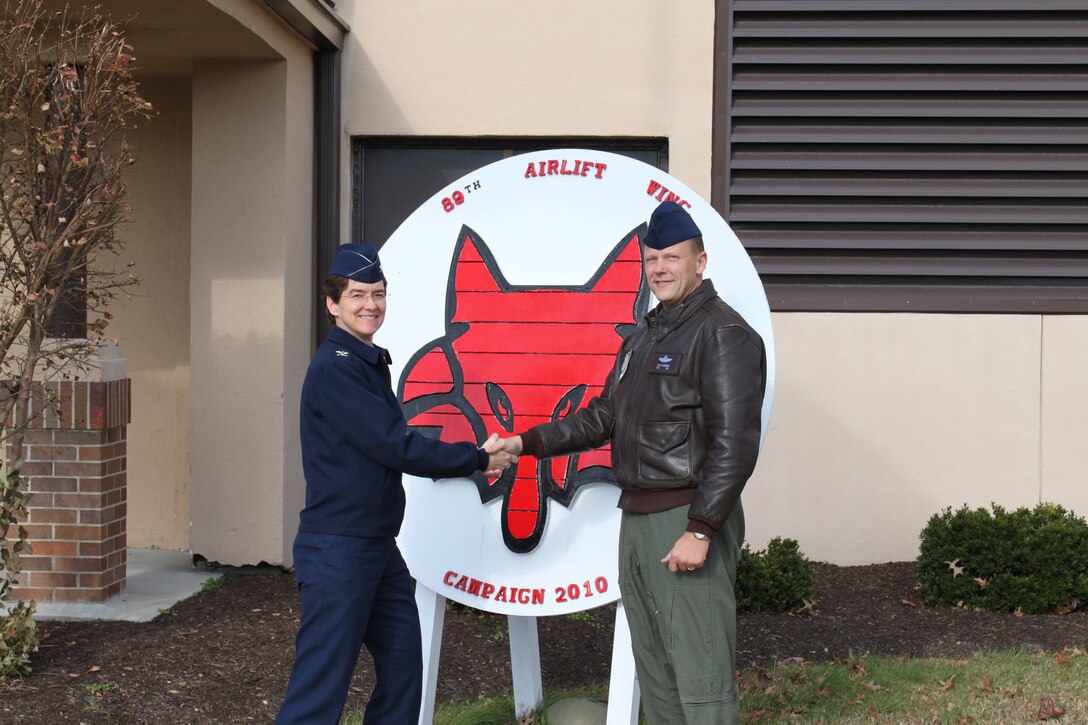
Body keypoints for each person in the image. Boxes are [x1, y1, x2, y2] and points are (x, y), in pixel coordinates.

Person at [500, 201, 766, 724]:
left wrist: (702, 528)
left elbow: (736, 444)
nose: (660, 269)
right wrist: (524, 444)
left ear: (701, 262)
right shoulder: (645, 336)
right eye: (652, 260)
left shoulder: (722, 333)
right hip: (639, 518)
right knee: (658, 672)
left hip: (684, 516)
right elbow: (603, 417)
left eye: (672, 257)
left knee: (700, 671)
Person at [276, 242, 516, 724]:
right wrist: (476, 458)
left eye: (379, 294)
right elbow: (394, 445)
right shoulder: (335, 370)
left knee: (405, 669)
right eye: (358, 295)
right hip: (339, 549)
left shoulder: (365, 360)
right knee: (319, 691)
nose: (371, 305)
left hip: (377, 548)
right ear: (332, 303)